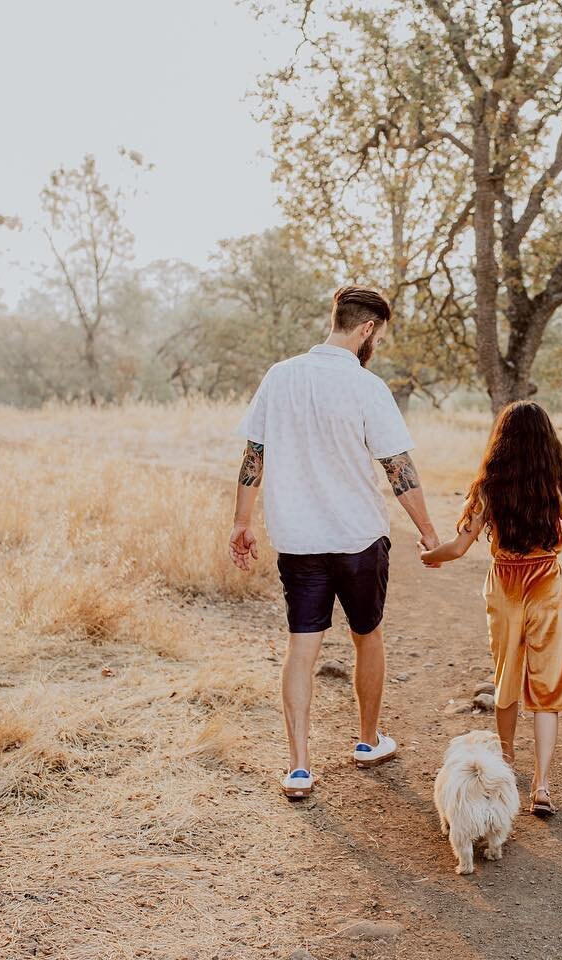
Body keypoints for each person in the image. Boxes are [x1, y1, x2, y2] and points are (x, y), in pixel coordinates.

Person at [229, 285, 441, 800]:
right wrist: (430, 532)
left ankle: (299, 767)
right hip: (357, 537)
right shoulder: (367, 387)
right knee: (367, 635)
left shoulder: (280, 377)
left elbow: (254, 455)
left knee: (301, 648)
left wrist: (242, 523)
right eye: (380, 335)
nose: (377, 345)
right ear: (367, 329)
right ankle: (368, 741)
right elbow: (398, 468)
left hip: (299, 539)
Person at [420, 400, 562, 816]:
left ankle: (506, 767)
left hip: (504, 586)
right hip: (546, 584)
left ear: (502, 441)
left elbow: (457, 547)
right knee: (547, 687)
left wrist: (429, 555)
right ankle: (542, 785)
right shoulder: (556, 486)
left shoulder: (490, 486)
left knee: (506, 677)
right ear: (547, 442)